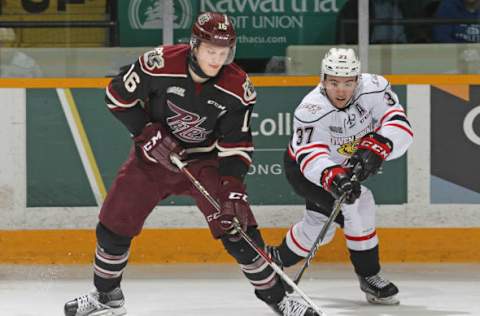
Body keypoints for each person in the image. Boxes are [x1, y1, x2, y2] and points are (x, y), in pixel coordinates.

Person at [63, 12, 320, 316]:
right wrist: (145, 131)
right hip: (152, 160)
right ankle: (106, 297)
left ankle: (279, 298)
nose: (216, 59)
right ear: (195, 45)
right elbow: (116, 96)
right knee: (113, 225)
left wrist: (232, 188)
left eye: (223, 53)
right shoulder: (159, 64)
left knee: (239, 231)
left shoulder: (237, 86)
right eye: (211, 51)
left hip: (204, 163)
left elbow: (236, 144)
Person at [267, 48, 413, 305]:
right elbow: (310, 156)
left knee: (319, 229)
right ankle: (369, 276)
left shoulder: (376, 88)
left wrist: (381, 144)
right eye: (334, 82)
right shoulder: (311, 109)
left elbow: (399, 123)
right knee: (358, 203)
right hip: (306, 171)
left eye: (348, 82)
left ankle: (276, 259)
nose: (341, 90)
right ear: (323, 79)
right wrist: (334, 177)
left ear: (358, 79)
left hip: (346, 166)